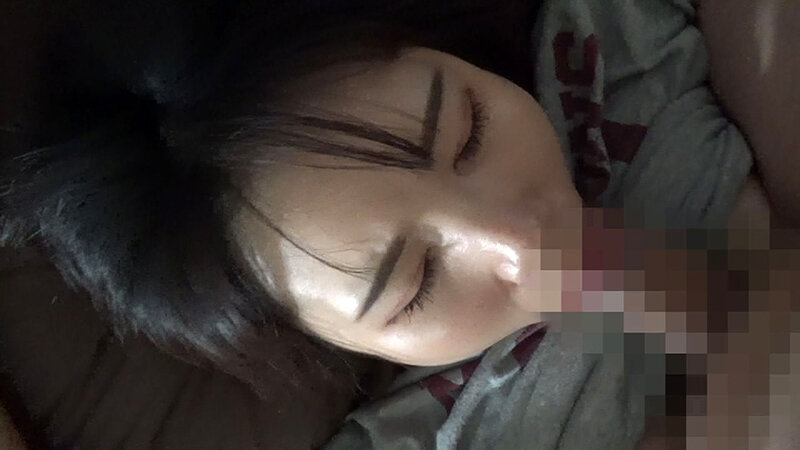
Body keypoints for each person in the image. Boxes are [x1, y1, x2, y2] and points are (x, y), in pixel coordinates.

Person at [1, 0, 797, 447]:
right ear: (319, 339)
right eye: (414, 284)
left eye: (469, 132)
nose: (520, 240)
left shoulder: (611, 41)